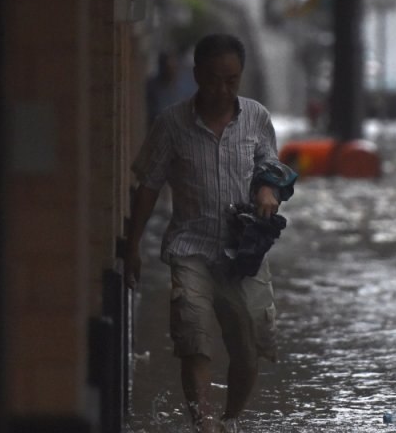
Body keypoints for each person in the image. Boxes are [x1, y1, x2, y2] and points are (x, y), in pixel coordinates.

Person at [126, 33, 294, 433]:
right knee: (194, 341)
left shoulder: (256, 117)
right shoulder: (170, 125)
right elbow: (148, 186)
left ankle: (230, 420)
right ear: (197, 74)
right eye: (214, 79)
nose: (223, 89)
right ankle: (203, 424)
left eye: (232, 80)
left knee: (249, 349)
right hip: (190, 250)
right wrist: (132, 245)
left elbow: (271, 164)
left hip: (243, 252)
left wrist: (268, 187)